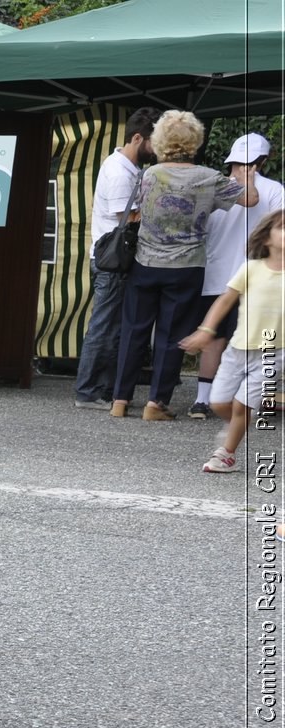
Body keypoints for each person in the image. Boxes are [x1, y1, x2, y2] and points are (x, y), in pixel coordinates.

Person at [110, 111, 249, 420]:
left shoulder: (150, 175)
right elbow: (250, 199)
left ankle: (120, 399)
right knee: (172, 335)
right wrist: (242, 174)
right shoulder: (209, 178)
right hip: (186, 267)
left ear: (159, 140)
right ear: (196, 141)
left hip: (145, 262)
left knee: (134, 330)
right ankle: (156, 404)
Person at [186, 133, 284, 419]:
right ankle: (262, 400)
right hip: (260, 277)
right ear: (263, 161)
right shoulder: (275, 189)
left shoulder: (212, 186)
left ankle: (202, 401)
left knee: (214, 338)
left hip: (216, 273)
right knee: (265, 339)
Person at [179, 210, 283, 473]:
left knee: (241, 405)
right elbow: (224, 300)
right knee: (219, 402)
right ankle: (238, 425)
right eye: (283, 227)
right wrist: (205, 330)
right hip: (237, 349)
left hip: (273, 353)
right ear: (267, 238)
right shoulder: (251, 268)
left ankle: (225, 453)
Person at [73, 106, 160, 410]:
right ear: (138, 138)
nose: (156, 150)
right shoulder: (120, 172)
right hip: (113, 261)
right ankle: (89, 391)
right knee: (105, 326)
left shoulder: (124, 166)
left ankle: (103, 389)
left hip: (113, 259)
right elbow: (130, 216)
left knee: (111, 325)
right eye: (153, 143)